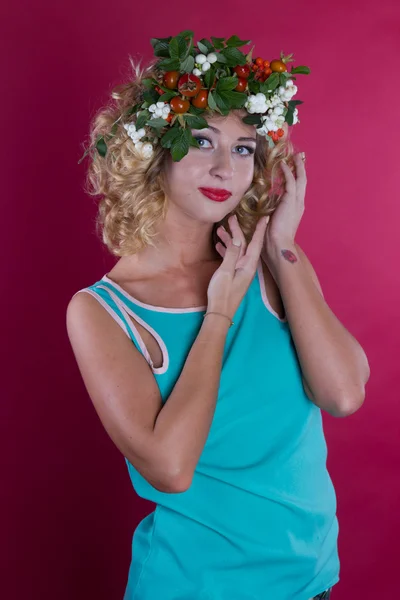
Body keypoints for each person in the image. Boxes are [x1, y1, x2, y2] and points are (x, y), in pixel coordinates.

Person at [66, 31, 370, 600]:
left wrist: (282, 246)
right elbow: (171, 469)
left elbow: (344, 392)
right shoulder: (101, 311)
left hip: (310, 585)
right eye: (201, 140)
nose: (224, 167)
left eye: (243, 148)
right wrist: (218, 315)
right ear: (155, 151)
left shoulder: (271, 263)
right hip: (192, 588)